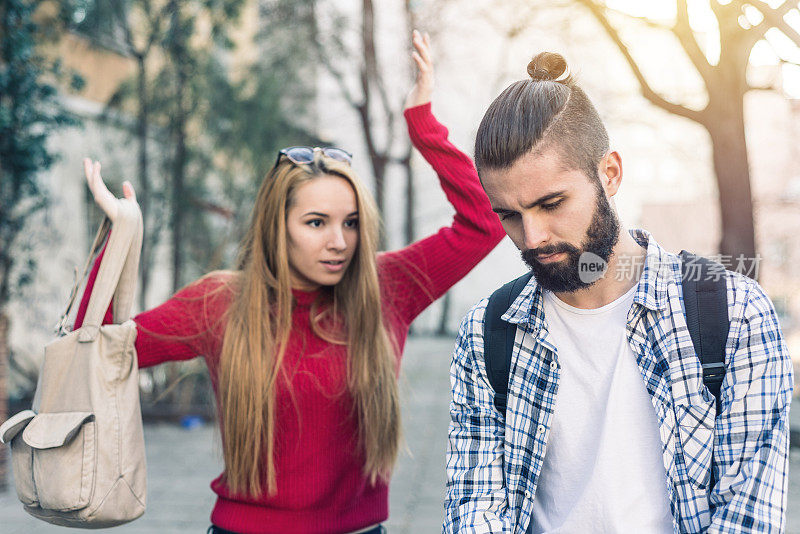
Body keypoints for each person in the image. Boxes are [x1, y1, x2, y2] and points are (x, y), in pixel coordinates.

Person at [75, 30, 505, 534]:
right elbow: (100, 347)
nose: (340, 241)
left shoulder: (387, 286)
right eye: (316, 222)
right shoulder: (220, 302)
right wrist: (117, 234)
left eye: (350, 222)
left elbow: (484, 223)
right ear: (276, 227)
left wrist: (422, 122)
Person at [444, 52, 792, 533]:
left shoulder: (732, 313)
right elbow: (473, 512)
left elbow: (747, 519)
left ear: (609, 173)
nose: (533, 237)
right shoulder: (488, 332)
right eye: (509, 214)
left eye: (551, 203)